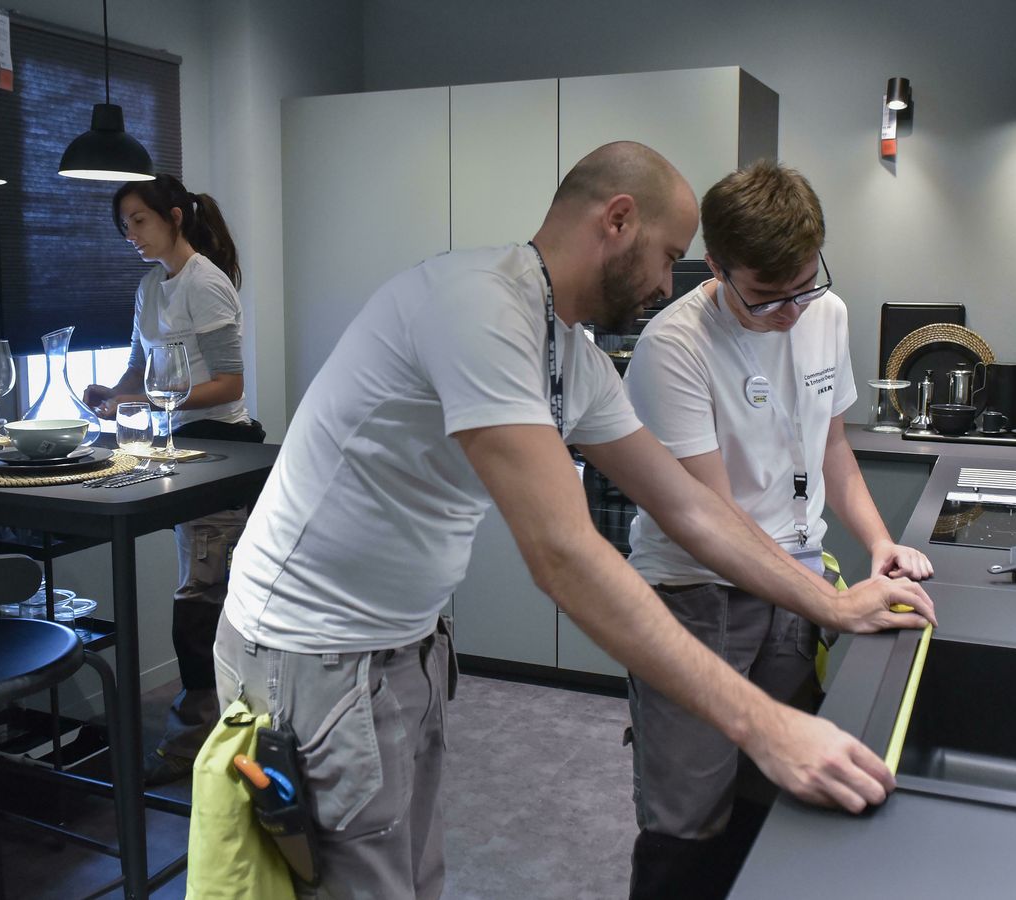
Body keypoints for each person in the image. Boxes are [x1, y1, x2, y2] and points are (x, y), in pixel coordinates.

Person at [216, 142, 935, 899]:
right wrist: (766, 724)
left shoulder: (569, 357)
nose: (668, 283)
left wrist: (832, 604)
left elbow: (690, 506)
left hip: (406, 641)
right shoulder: (478, 306)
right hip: (310, 648)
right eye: (669, 256)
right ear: (617, 220)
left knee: (411, 880)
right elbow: (564, 553)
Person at [620, 159, 936, 898]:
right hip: (696, 595)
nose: (792, 311)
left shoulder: (828, 313)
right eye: (766, 297)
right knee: (689, 814)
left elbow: (833, 448)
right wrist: (832, 603)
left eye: (805, 286)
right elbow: (711, 518)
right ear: (717, 267)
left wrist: (879, 542)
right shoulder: (675, 347)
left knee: (779, 795)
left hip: (793, 583)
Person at [83, 173, 266, 785]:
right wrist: (113, 394)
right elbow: (140, 366)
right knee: (198, 591)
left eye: (139, 220)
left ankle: (197, 737)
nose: (131, 235)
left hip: (219, 448)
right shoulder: (149, 286)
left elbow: (229, 384)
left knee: (200, 600)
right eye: (125, 226)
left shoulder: (206, 283)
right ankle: (211, 729)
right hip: (177, 447)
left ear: (175, 217)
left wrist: (152, 400)